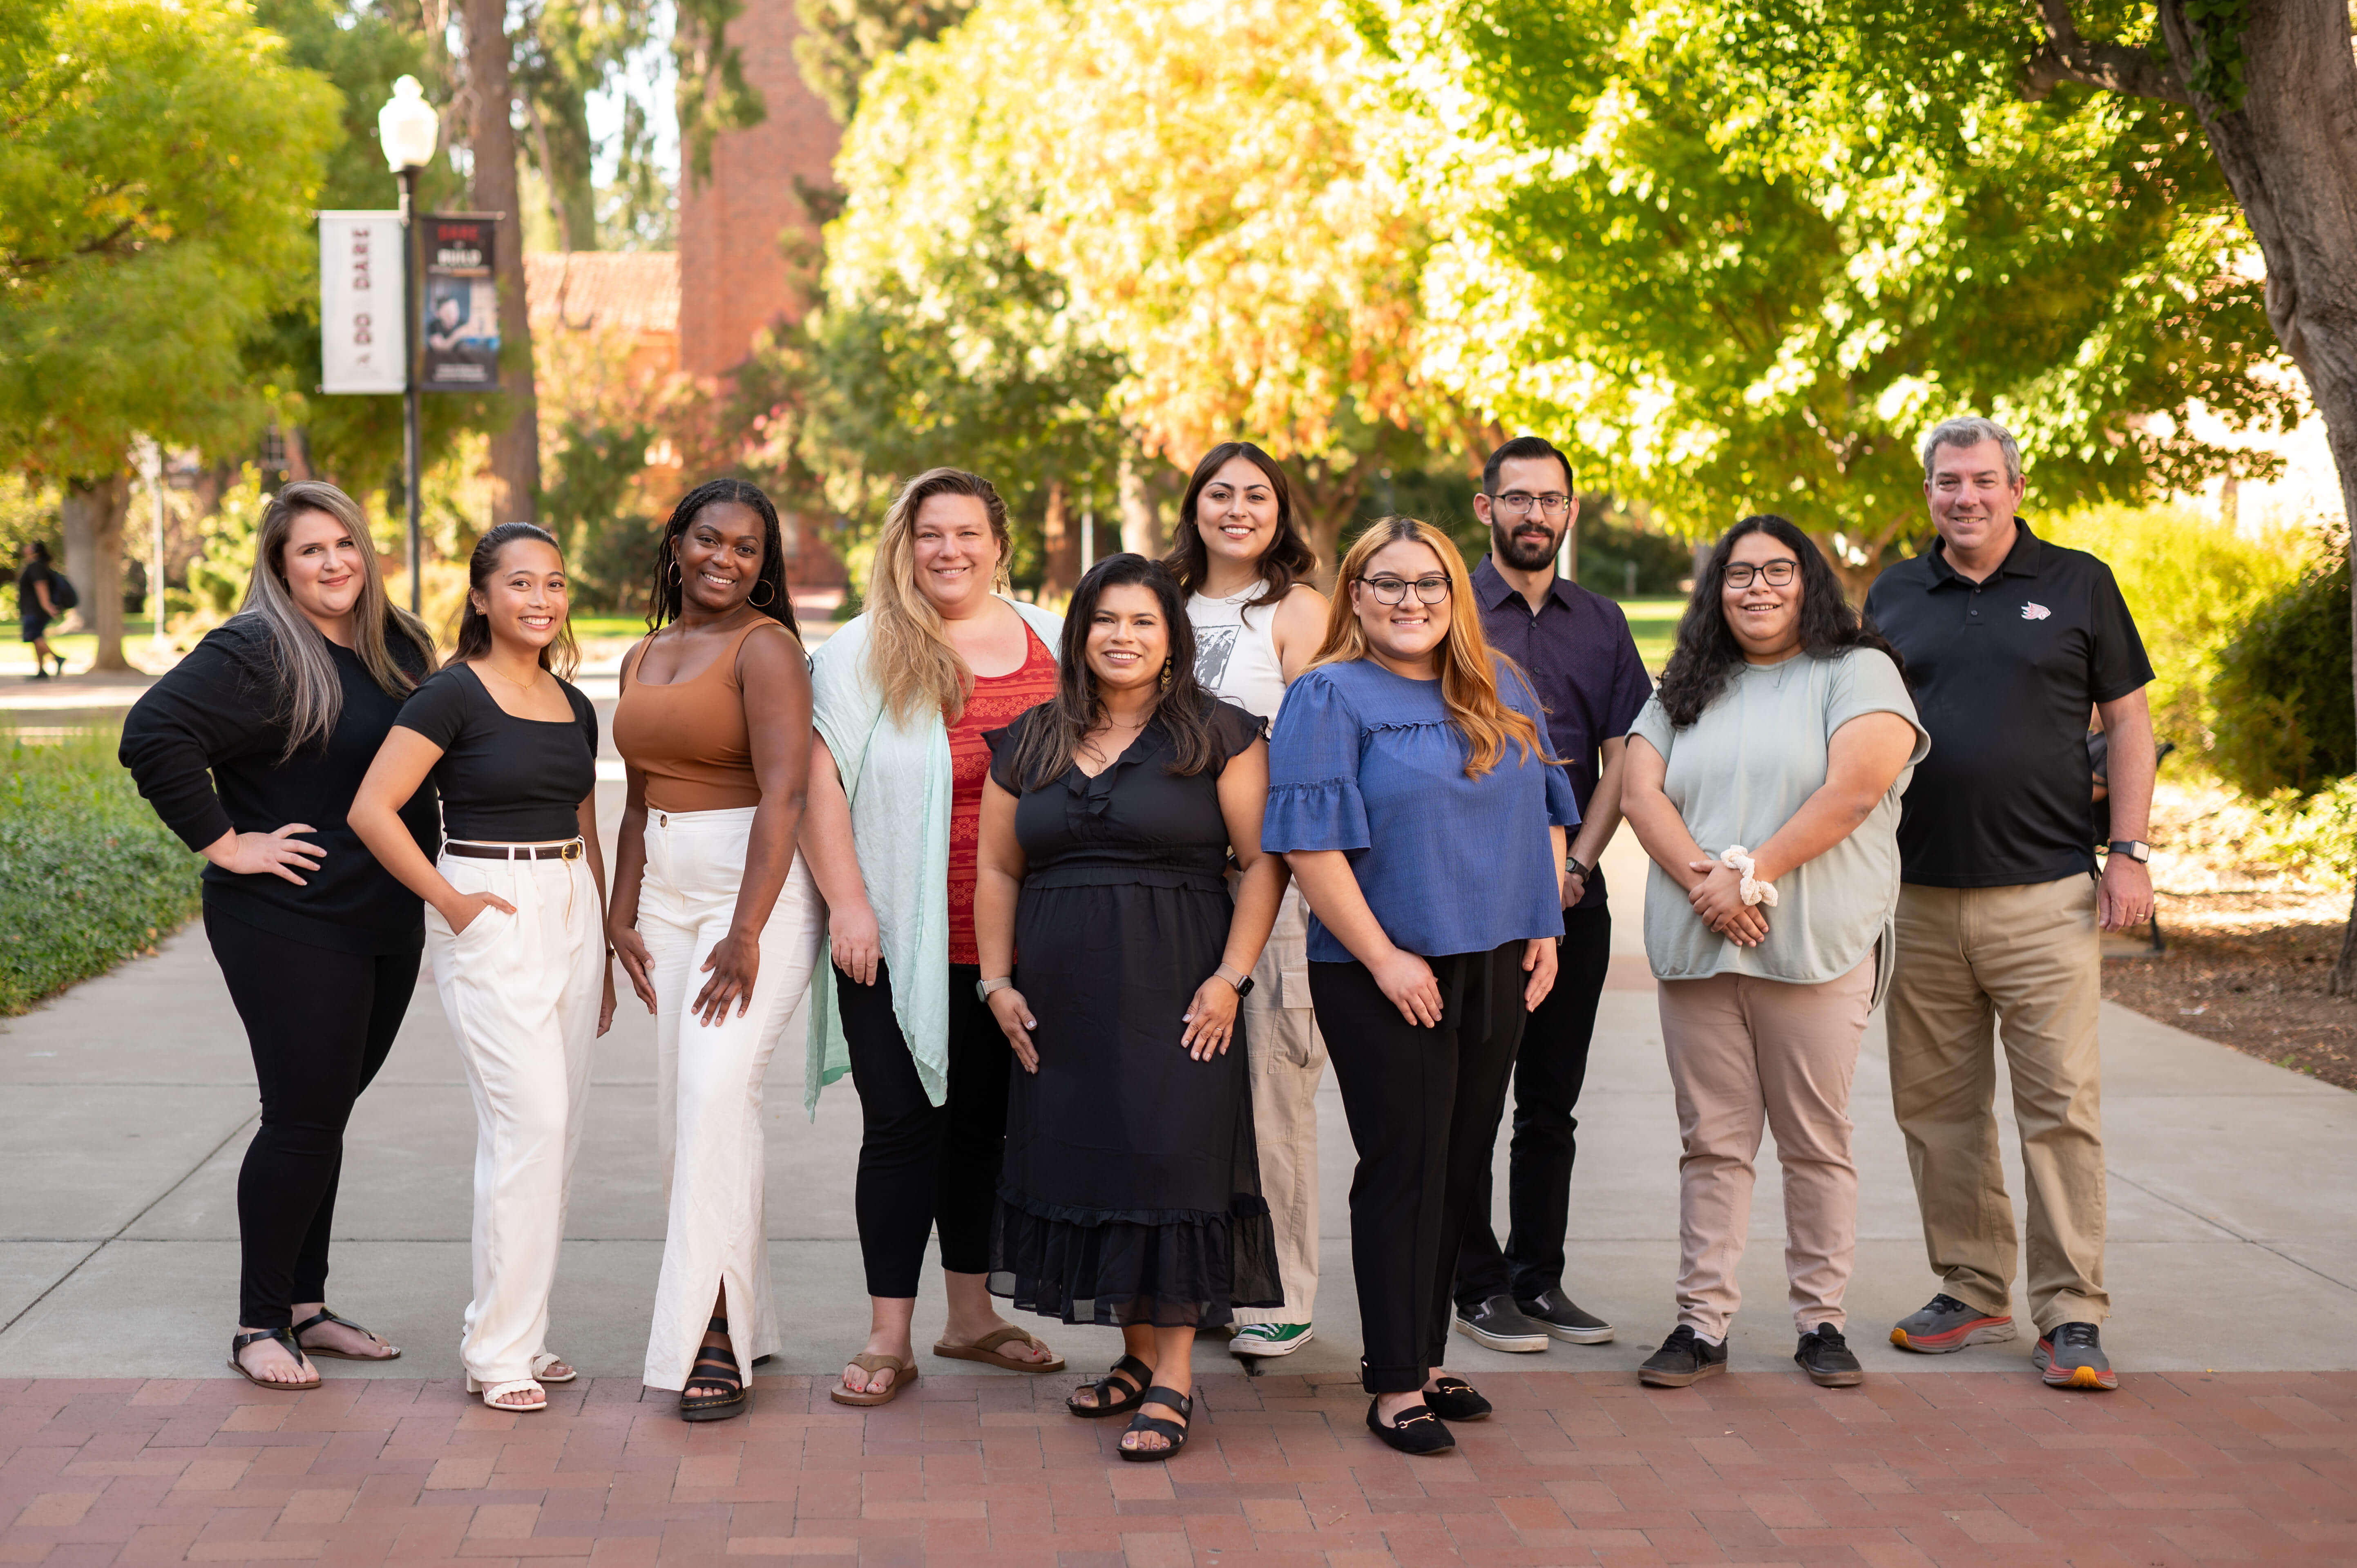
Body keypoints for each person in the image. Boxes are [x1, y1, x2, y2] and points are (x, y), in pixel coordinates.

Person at [1264, 517, 1576, 1456]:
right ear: (1354, 595)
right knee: (1404, 1165)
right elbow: (1309, 847)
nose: (1411, 602)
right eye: (1388, 584)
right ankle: (1395, 1379)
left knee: (1458, 1161)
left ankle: (1431, 1356)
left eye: (1429, 584)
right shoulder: (1328, 695)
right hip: (1381, 966)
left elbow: (1548, 812)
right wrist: (1386, 958)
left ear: (1456, 594)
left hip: (1496, 959)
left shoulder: (1500, 685)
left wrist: (1545, 923)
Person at [121, 481, 437, 1390]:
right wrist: (227, 841)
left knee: (325, 1110)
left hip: (383, 913)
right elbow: (155, 731)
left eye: (345, 543)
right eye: (310, 550)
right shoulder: (257, 650)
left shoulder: (397, 644)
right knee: (301, 1117)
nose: (334, 562)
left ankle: (306, 1304)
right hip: (288, 920)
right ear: (280, 566)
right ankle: (259, 1321)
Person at [1864, 416, 2156, 1392]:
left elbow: (2128, 721)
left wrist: (2130, 853)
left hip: (2047, 897)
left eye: (1984, 480)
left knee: (2059, 1108)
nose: (1966, 497)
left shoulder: (2079, 583)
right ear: (1930, 493)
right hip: (1919, 897)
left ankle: (2073, 1310)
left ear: (2016, 487)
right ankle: (1972, 1282)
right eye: (1949, 482)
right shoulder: (1896, 593)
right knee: (1938, 1110)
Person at [977, 554, 1285, 1460]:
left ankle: (1176, 1377)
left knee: (1171, 1167)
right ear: (1078, 633)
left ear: (1171, 637)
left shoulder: (1220, 733)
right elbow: (999, 867)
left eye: (1143, 622)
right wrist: (996, 983)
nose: (1123, 636)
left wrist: (1229, 977)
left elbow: (1263, 861)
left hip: (1181, 989)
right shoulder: (1029, 738)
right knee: (1099, 1170)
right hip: (1062, 1004)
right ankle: (1132, 1355)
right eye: (1105, 620)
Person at [1619, 516, 1928, 1390]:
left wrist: (1747, 875)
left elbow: (1855, 787)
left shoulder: (1856, 669)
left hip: (1812, 944)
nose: (1757, 587)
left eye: (1777, 570)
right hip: (1699, 944)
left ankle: (1820, 1320)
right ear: (1715, 590)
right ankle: (1699, 1321)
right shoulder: (1687, 680)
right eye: (1738, 573)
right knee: (1710, 1143)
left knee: (1814, 1141)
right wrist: (1706, 880)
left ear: (1809, 582)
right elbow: (1640, 791)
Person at [802, 468, 1068, 1406]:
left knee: (983, 1134)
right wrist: (849, 905)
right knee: (903, 1128)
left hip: (1022, 947)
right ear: (903, 545)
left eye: (966, 533)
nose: (948, 551)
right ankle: (888, 1335)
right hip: (900, 938)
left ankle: (971, 1317)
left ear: (999, 542)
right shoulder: (861, 649)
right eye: (929, 534)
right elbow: (817, 780)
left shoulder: (1050, 637)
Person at [350, 522, 616, 1413]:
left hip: (571, 902)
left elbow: (585, 822)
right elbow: (373, 809)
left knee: (560, 1131)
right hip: (489, 899)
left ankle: (521, 1333)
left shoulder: (575, 703)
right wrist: (452, 903)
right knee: (529, 1124)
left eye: (554, 583)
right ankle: (494, 1350)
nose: (540, 600)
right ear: (480, 597)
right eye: (520, 584)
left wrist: (605, 947)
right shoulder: (448, 696)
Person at [608, 480, 822, 1422]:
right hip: (666, 900)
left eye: (746, 549)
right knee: (684, 1121)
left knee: (712, 1103)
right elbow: (637, 794)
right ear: (678, 545)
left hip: (753, 901)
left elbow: (785, 795)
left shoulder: (765, 650)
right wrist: (620, 910)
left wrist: (746, 932)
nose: (726, 560)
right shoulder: (644, 652)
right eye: (710, 540)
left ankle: (711, 1337)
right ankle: (746, 1308)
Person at [1452, 435, 1653, 1355]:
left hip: (1573, 892)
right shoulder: (1447, 611)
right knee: (1470, 1100)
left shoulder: (1602, 622)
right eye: (1517, 497)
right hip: (1472, 896)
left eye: (1551, 500)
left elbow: (1625, 761)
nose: (1535, 514)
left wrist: (1576, 862)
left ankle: (1540, 1277)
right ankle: (1473, 1280)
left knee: (1548, 1104)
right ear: (1485, 504)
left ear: (1570, 512)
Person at [1164, 441, 1330, 1359]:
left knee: (1273, 1086)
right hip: (1166, 880)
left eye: (1255, 495)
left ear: (1279, 512)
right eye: (1218, 492)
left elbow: (1318, 747)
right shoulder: (1159, 601)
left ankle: (1282, 1290)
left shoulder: (1298, 611)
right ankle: (1204, 1278)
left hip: (1266, 878)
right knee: (1184, 1089)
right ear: (1192, 506)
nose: (1236, 508)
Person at [18, 540, 64, 680]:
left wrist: (47, 606)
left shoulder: (36, 567)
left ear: (34, 550)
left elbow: (41, 587)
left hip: (36, 610)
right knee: (37, 637)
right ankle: (42, 671)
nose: (26, 547)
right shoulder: (36, 566)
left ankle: (57, 658)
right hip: (32, 609)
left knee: (33, 636)